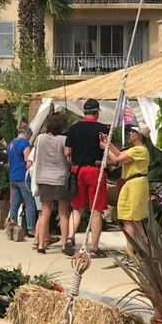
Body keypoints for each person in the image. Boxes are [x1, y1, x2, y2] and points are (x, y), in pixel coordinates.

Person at [66, 99, 111, 258]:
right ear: (97, 112)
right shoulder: (102, 128)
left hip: (77, 170)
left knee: (77, 208)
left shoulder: (73, 128)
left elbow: (67, 152)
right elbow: (106, 148)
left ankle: (70, 238)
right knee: (96, 210)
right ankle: (95, 247)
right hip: (95, 170)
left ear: (84, 112)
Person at [31, 111, 73, 254]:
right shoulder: (64, 139)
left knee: (45, 212)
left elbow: (36, 157)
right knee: (63, 213)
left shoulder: (40, 138)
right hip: (60, 178)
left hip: (43, 178)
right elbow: (68, 156)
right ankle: (64, 244)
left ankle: (41, 245)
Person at [105, 125, 151, 247]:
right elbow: (118, 155)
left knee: (131, 219)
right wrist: (108, 144)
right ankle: (139, 249)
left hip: (135, 184)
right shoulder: (135, 149)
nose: (130, 133)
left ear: (139, 136)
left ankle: (132, 251)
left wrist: (106, 146)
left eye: (133, 132)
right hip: (131, 183)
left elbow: (119, 159)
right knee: (130, 218)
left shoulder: (139, 150)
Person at [5, 122, 38, 243]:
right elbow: (27, 160)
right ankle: (31, 228)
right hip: (23, 177)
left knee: (15, 203)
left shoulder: (10, 144)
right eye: (30, 136)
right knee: (29, 203)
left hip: (13, 177)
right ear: (26, 134)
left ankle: (11, 227)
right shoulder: (24, 143)